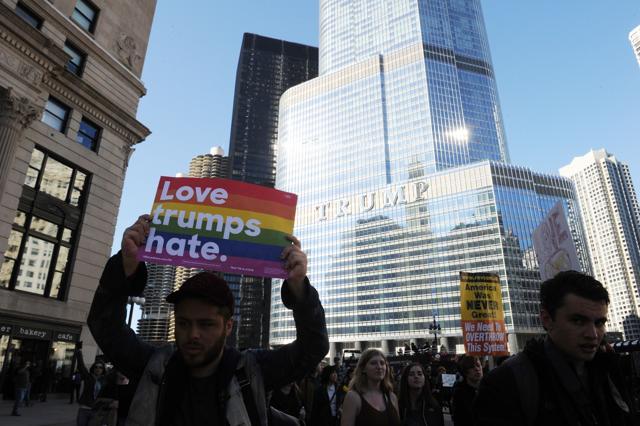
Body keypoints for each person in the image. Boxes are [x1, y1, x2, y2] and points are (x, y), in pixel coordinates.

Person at [88, 214, 329, 425]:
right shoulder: (155, 366)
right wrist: (124, 265)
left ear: (228, 326)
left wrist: (299, 288)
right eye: (183, 323)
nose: (193, 334)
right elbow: (105, 327)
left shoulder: (253, 371)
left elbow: (313, 347)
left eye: (206, 324)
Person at [474, 270, 636, 426]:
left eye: (599, 323)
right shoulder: (506, 384)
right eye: (578, 321)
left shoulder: (612, 369)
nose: (593, 334)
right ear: (547, 319)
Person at [340, 348, 401, 426]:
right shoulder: (353, 397)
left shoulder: (392, 397)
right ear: (363, 369)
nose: (379, 367)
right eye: (373, 363)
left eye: (382, 363)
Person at [74, 348, 106, 426]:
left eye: (100, 367)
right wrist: (79, 353)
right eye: (96, 367)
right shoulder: (88, 377)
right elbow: (81, 366)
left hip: (97, 411)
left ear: (103, 369)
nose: (98, 369)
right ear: (93, 368)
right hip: (85, 409)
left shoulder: (105, 381)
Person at [451, 356, 482, 426]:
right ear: (465, 371)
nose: (477, 369)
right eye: (472, 367)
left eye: (478, 365)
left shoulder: (489, 388)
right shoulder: (459, 394)